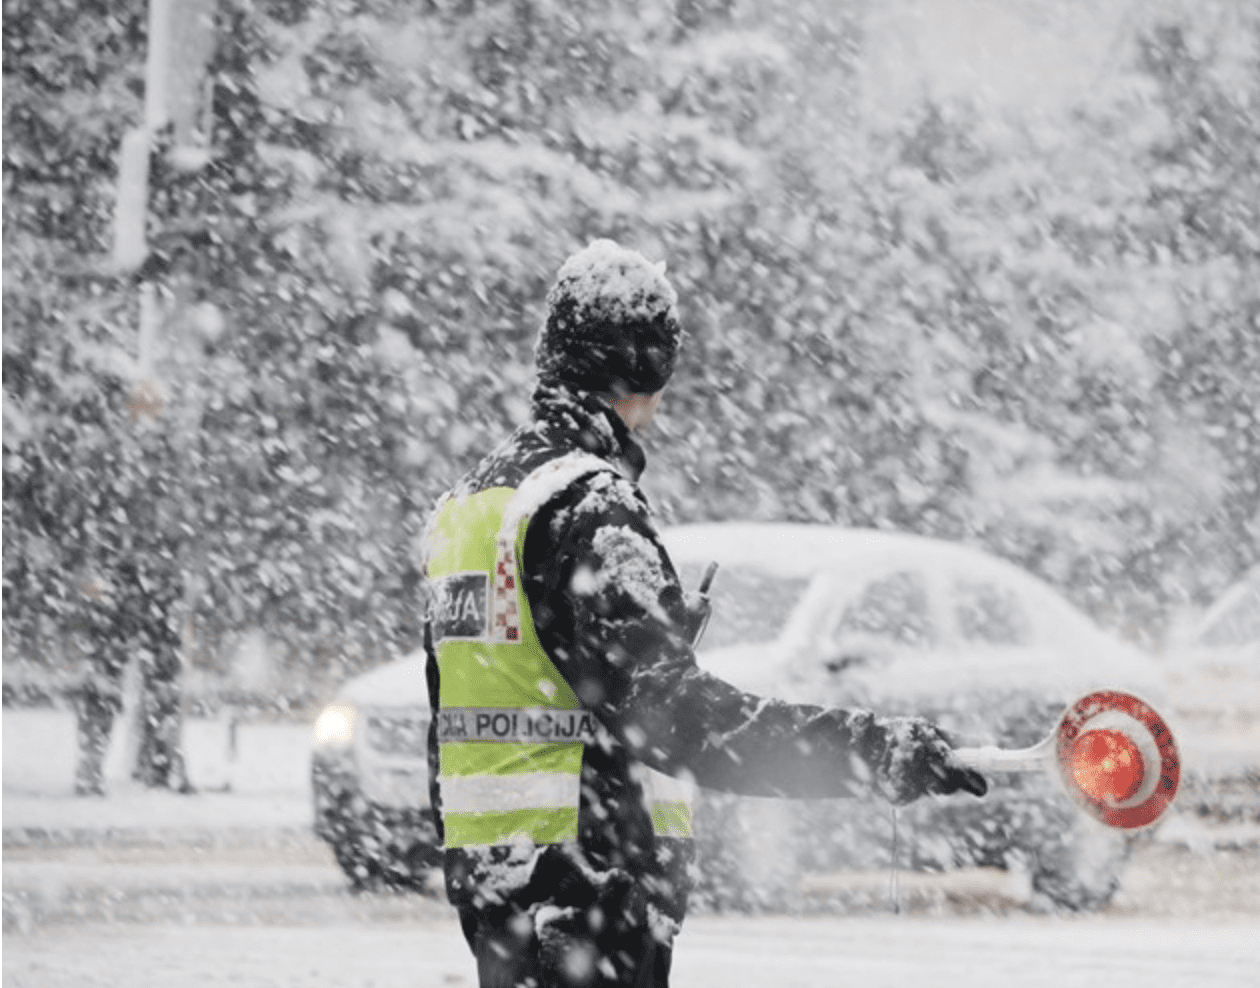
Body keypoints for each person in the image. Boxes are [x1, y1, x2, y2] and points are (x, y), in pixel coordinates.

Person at [422, 239, 986, 988]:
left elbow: (468, 712)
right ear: (649, 364)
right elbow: (684, 723)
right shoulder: (589, 507)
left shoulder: (473, 505)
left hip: (501, 894)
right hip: (587, 888)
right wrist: (871, 750)